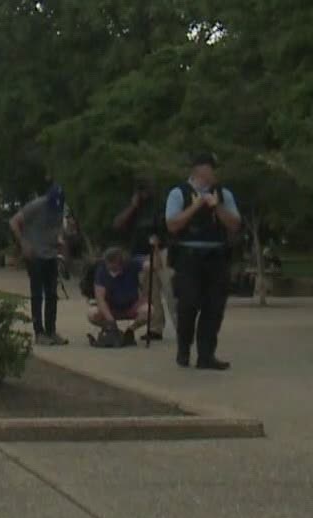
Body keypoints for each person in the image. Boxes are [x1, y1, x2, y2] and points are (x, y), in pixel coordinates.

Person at [166, 153, 241, 370]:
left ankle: (206, 354)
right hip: (188, 257)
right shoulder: (179, 193)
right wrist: (197, 206)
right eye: (211, 168)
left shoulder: (223, 194)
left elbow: (234, 225)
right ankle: (183, 348)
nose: (214, 173)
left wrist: (217, 206)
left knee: (214, 307)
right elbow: (172, 225)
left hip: (216, 256)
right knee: (188, 303)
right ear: (199, 169)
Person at [11, 184, 69, 346]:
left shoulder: (60, 208)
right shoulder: (37, 205)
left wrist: (59, 240)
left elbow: (57, 229)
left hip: (50, 254)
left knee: (52, 294)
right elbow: (14, 222)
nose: (55, 207)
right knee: (37, 294)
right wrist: (23, 243)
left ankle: (51, 330)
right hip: (35, 255)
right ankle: (39, 332)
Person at [114, 181, 169, 342]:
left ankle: (181, 326)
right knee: (149, 292)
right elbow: (117, 225)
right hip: (138, 255)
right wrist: (133, 207)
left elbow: (163, 229)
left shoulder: (159, 205)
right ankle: (155, 328)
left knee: (170, 291)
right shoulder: (133, 208)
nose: (143, 194)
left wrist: (157, 250)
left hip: (158, 251)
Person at [88, 246, 150, 347]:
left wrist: (155, 249)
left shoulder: (132, 264)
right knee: (92, 314)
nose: (109, 265)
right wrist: (111, 321)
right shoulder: (101, 270)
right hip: (111, 309)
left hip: (130, 307)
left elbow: (151, 266)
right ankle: (110, 329)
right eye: (108, 262)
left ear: (120, 262)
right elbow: (100, 299)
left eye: (112, 262)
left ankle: (130, 331)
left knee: (149, 311)